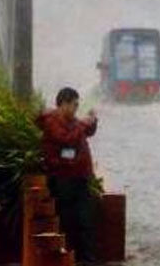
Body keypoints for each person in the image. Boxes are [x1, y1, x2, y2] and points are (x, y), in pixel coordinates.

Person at [36, 87, 99, 264]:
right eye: (74, 105)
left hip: (80, 175)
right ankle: (68, 258)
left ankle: (86, 259)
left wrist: (92, 122)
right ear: (63, 104)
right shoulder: (53, 121)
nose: (76, 110)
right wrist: (86, 123)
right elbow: (68, 139)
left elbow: (86, 132)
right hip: (63, 178)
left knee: (85, 220)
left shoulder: (72, 122)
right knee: (68, 220)